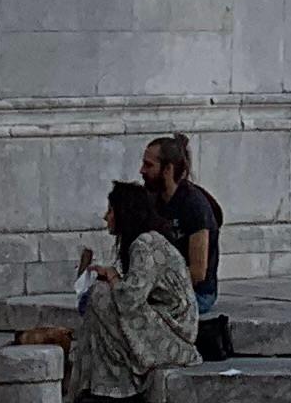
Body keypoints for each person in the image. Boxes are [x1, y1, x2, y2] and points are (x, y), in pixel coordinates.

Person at [62, 179, 197, 399]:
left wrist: (112, 276)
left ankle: (111, 385)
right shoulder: (145, 241)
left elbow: (130, 299)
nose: (106, 217)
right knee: (99, 297)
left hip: (174, 336)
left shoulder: (144, 244)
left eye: (110, 210)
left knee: (100, 296)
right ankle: (98, 382)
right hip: (165, 325)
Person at [137, 137, 220, 329]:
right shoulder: (153, 199)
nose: (142, 171)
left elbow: (198, 273)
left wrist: (155, 287)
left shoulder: (194, 206)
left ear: (168, 169)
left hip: (196, 293)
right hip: (160, 288)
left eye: (149, 165)